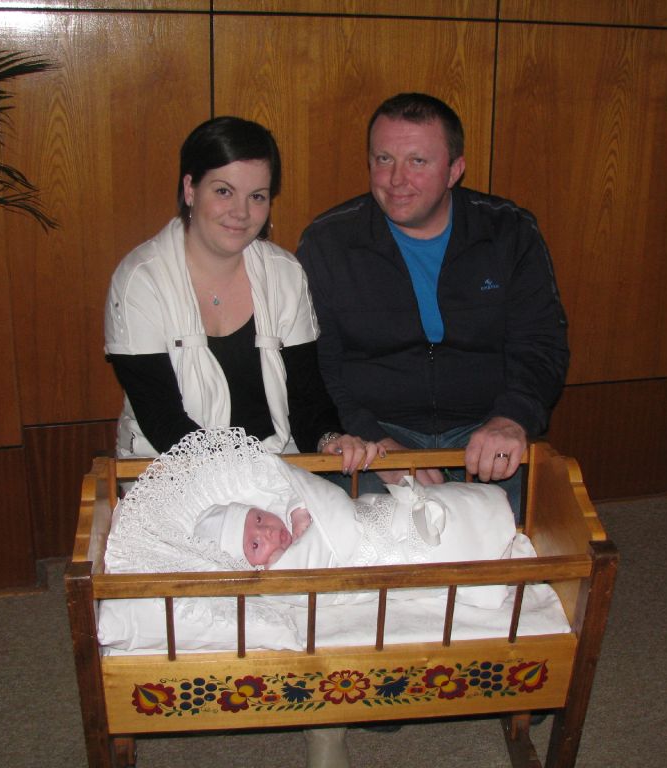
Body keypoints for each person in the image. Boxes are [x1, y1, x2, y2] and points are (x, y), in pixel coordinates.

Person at [295, 94, 569, 514]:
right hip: (374, 435)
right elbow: (319, 366)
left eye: (417, 162)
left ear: (454, 170)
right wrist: (373, 439)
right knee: (366, 536)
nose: (396, 180)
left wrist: (511, 418)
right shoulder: (328, 242)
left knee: (523, 531)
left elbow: (542, 343)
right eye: (383, 159)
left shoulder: (509, 231)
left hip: (486, 427)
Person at [104, 116, 379, 474]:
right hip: (172, 474)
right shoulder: (140, 281)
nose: (241, 212)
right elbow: (163, 422)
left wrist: (330, 438)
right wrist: (249, 482)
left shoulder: (285, 273)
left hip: (276, 467)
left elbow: (307, 398)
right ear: (190, 189)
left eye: (257, 197)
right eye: (223, 191)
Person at [193, 471, 518, 573]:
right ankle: (488, 544)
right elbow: (299, 587)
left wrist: (299, 512)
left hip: (373, 515)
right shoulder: (272, 574)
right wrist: (281, 564)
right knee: (442, 547)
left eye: (258, 518)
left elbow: (315, 493)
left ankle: (484, 513)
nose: (266, 531)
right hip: (376, 556)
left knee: (432, 509)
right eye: (255, 544)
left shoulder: (290, 510)